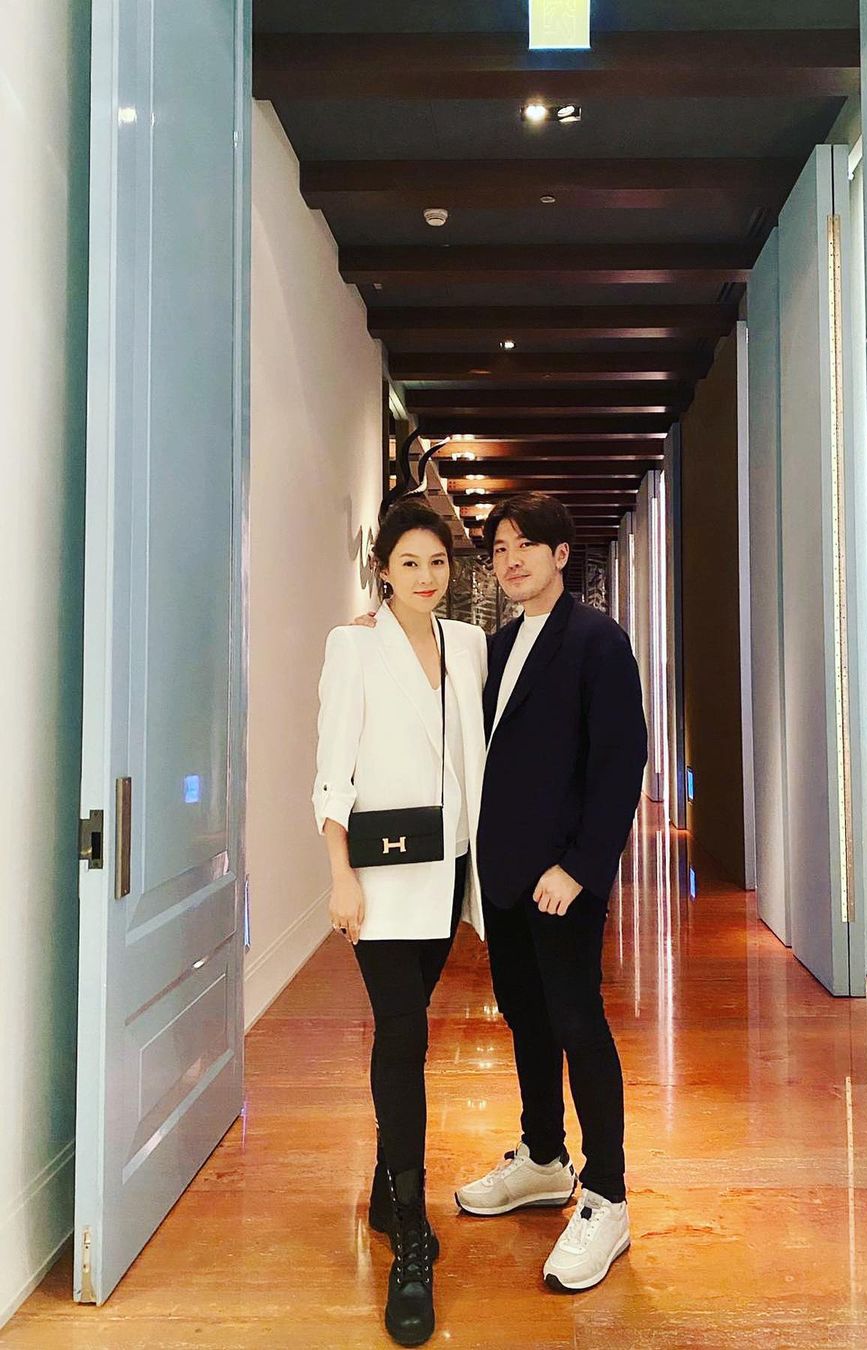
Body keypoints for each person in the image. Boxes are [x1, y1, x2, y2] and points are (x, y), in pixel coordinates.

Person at [453, 492, 648, 1294]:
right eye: (499, 549)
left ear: (561, 555)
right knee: (525, 1018)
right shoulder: (497, 647)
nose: (510, 560)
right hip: (504, 877)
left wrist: (582, 865)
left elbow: (621, 760)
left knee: (577, 1023)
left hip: (562, 880)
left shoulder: (597, 640)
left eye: (526, 545)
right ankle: (542, 1158)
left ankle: (607, 1195)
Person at [313, 498, 487, 1347]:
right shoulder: (353, 646)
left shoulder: (470, 644)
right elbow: (331, 770)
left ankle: (388, 1186)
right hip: (379, 880)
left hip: (447, 871)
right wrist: (339, 874)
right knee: (403, 1034)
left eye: (438, 562)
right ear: (381, 569)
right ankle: (411, 1233)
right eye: (409, 562)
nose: (426, 576)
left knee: (410, 1022)